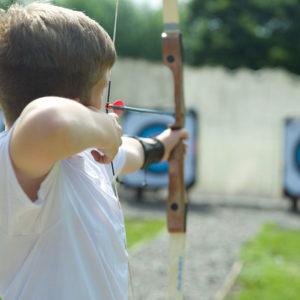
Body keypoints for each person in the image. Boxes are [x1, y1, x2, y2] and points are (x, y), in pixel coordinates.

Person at [0, 2, 188, 300]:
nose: (107, 102)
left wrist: (163, 145)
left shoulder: (88, 157)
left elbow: (130, 151)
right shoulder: (18, 166)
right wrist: (105, 130)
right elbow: (49, 122)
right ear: (77, 104)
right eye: (104, 88)